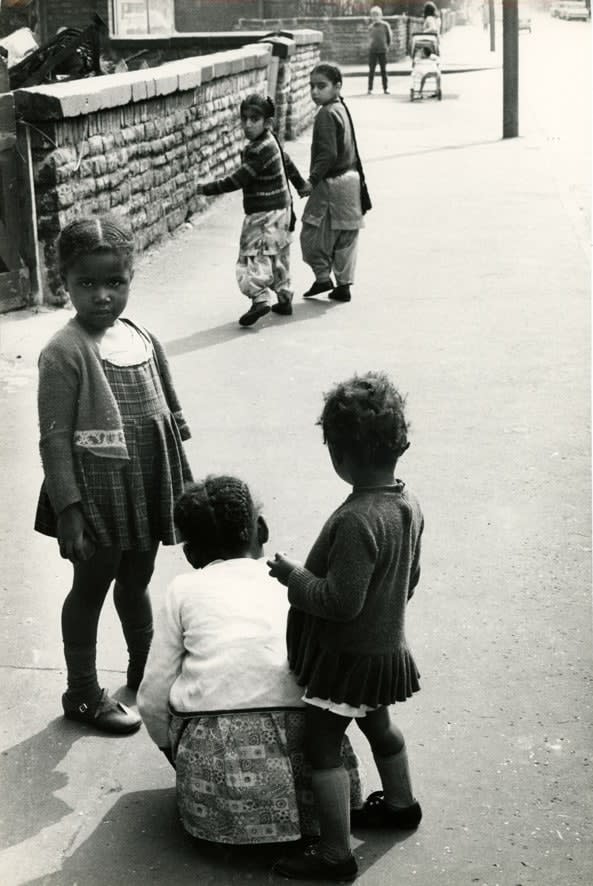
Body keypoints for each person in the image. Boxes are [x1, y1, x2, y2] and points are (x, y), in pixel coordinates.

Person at [137, 476, 363, 845]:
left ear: (190, 554)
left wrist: (172, 750)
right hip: (313, 749)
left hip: (218, 767)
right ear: (262, 530)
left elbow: (152, 696)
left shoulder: (182, 589)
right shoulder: (294, 579)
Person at [34, 214, 193, 735]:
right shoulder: (65, 351)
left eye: (115, 282)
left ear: (130, 277)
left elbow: (164, 401)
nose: (102, 295)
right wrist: (69, 509)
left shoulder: (140, 336)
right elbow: (54, 438)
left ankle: (145, 671)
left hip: (143, 486)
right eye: (87, 283)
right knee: (91, 586)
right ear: (64, 281)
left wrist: (179, 476)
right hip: (96, 493)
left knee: (137, 578)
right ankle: (81, 693)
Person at [268, 372, 424, 882]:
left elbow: (340, 603)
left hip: (346, 660)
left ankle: (335, 854)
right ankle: (401, 805)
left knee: (321, 745)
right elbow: (409, 578)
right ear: (400, 444)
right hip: (383, 650)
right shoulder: (407, 504)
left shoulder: (358, 519)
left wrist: (294, 578)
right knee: (379, 725)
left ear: (338, 456)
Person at [196, 94, 308, 327]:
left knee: (253, 255)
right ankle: (284, 297)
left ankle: (259, 298)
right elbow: (287, 163)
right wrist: (301, 185)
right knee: (278, 253)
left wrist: (205, 189)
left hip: (263, 214)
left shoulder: (259, 150)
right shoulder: (272, 141)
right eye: (244, 119)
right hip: (282, 210)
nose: (247, 124)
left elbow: (238, 179)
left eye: (254, 119)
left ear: (267, 122)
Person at [300, 64, 365, 305]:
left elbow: (327, 154)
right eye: (312, 86)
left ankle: (322, 277)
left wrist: (311, 181)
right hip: (351, 183)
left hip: (331, 185)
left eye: (321, 86)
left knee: (311, 234)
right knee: (345, 237)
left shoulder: (326, 113)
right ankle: (343, 285)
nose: (315, 92)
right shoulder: (340, 107)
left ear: (337, 86)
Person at [367, 6, 392, 95]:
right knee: (371, 70)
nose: (375, 17)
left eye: (377, 15)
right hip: (373, 51)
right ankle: (370, 89)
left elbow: (389, 37)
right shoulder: (371, 27)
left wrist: (387, 46)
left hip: (382, 51)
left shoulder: (385, 25)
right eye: (373, 15)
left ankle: (385, 88)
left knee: (383, 70)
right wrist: (370, 46)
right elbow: (370, 38)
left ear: (381, 16)